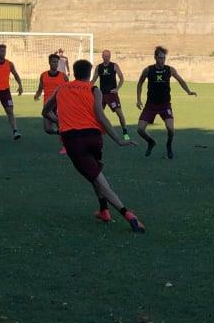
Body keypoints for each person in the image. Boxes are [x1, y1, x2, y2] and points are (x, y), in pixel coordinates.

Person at [42, 59, 145, 232]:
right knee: (94, 173)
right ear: (90, 74)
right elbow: (101, 115)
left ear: (74, 72)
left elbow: (45, 112)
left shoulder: (61, 89)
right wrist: (118, 139)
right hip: (94, 138)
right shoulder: (93, 89)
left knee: (98, 179)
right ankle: (104, 210)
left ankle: (128, 215)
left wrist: (60, 122)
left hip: (74, 140)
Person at [136, 46, 197, 159]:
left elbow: (181, 81)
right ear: (155, 57)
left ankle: (169, 145)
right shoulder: (148, 70)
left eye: (164, 58)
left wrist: (188, 91)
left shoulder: (170, 69)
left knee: (170, 129)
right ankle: (150, 142)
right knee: (140, 129)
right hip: (151, 105)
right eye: (160, 58)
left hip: (165, 105)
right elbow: (140, 83)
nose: (162, 60)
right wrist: (138, 99)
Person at [91, 49, 131, 140]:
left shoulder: (114, 66)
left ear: (110, 56)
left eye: (108, 56)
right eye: (105, 56)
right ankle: (96, 132)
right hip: (101, 95)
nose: (107, 58)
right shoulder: (99, 67)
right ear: (102, 56)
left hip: (112, 95)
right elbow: (93, 80)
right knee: (96, 114)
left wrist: (117, 89)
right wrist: (86, 87)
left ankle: (125, 132)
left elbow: (121, 78)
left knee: (120, 114)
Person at [34, 53, 69, 153]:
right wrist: (37, 94)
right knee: (48, 129)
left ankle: (65, 146)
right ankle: (60, 133)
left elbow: (68, 89)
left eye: (56, 62)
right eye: (53, 62)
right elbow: (40, 87)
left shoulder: (63, 76)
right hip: (47, 106)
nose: (55, 64)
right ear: (49, 63)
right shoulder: (43, 75)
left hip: (59, 105)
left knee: (60, 125)